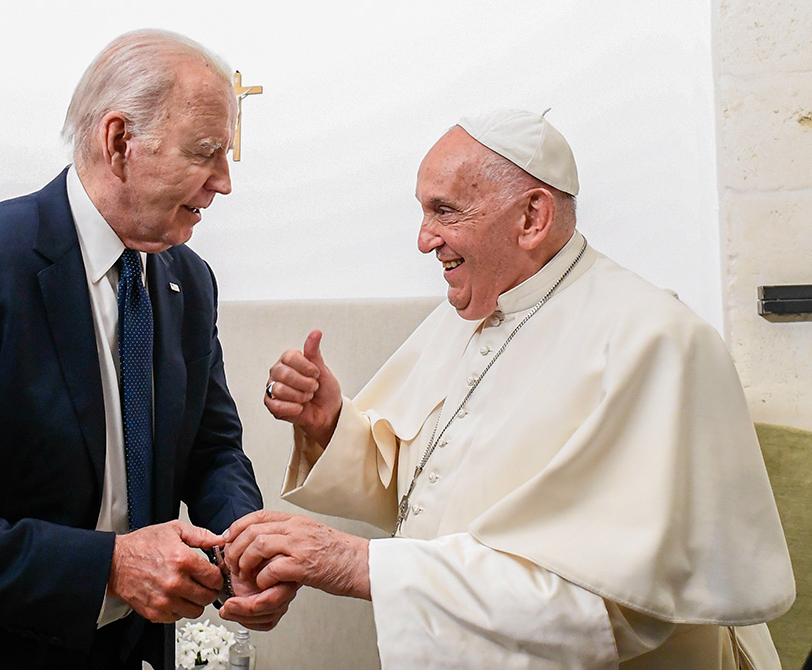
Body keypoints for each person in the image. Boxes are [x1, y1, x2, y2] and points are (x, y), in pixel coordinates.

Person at [223, 109, 796, 668]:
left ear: (531, 218)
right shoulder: (471, 312)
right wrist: (329, 423)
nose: (424, 240)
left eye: (444, 212)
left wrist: (358, 565)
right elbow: (428, 487)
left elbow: (616, 607)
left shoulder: (657, 342)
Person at [0, 29, 292, 670]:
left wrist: (245, 545)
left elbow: (211, 449)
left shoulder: (187, 280)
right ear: (119, 142)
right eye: (207, 152)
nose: (224, 182)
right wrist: (109, 567)